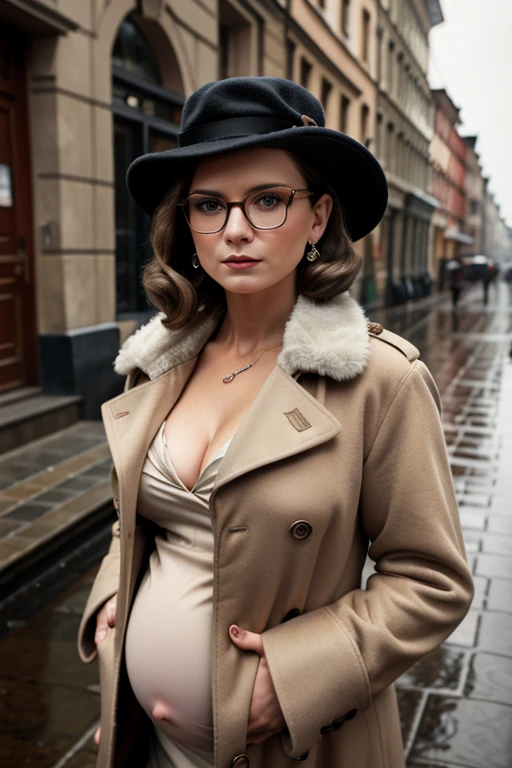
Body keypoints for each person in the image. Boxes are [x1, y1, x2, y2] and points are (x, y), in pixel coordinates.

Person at [78, 77, 473, 768]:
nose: (235, 229)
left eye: (267, 200)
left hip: (294, 749)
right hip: (147, 742)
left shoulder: (378, 379)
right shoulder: (158, 362)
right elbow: (132, 521)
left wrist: (298, 679)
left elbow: (431, 582)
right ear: (188, 222)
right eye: (209, 205)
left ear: (318, 217)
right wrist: (115, 599)